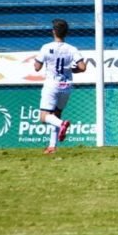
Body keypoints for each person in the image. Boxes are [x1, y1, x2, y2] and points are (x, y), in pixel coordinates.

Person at [34, 18, 86, 154]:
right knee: (56, 114)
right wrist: (72, 70)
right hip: (66, 85)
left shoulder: (46, 47)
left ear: (53, 32)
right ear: (66, 33)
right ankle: (52, 146)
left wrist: (39, 61)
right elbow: (82, 67)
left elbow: (37, 67)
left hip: (52, 84)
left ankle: (61, 124)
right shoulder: (72, 49)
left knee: (44, 117)